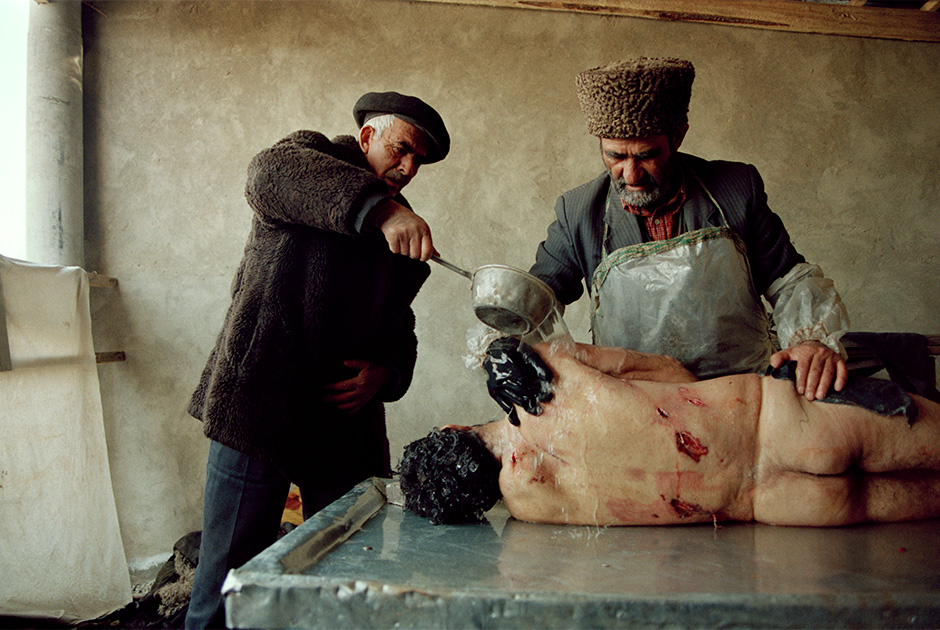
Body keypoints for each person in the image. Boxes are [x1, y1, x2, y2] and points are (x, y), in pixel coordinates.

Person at [184, 91, 450, 629]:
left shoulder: (397, 231)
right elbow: (268, 173)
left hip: (341, 425)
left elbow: (402, 332)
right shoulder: (310, 157)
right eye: (401, 150)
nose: (408, 167)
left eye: (418, 160)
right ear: (368, 137)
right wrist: (383, 209)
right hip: (256, 404)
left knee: (349, 571)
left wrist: (384, 374)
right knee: (226, 583)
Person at [529, 57, 850, 401]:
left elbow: (791, 282)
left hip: (742, 395)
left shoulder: (736, 189)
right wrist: (502, 344)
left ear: (678, 136)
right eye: (615, 156)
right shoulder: (578, 212)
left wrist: (810, 341)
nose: (631, 174)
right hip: (636, 401)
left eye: (647, 154)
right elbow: (535, 299)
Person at [399, 338, 940, 528]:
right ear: (453, 427)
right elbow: (676, 375)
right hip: (782, 423)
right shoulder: (547, 370)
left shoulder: (528, 509)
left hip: (788, 505)